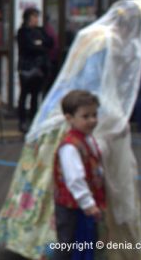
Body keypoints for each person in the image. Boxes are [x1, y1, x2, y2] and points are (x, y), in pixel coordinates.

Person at [0, 0, 141, 260]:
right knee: (73, 176)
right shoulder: (103, 40)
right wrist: (101, 114)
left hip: (84, 110)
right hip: (81, 110)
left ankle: (88, 242)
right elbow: (92, 80)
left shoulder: (104, 38)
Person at [53, 90, 104, 259]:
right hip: (72, 206)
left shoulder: (87, 139)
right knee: (69, 244)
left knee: (87, 241)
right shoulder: (70, 146)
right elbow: (74, 178)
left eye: (94, 115)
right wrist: (88, 203)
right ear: (69, 118)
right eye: (86, 116)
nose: (92, 120)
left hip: (83, 204)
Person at [17, 7, 54, 132]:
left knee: (35, 95)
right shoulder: (23, 32)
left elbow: (49, 42)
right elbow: (28, 47)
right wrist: (39, 45)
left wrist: (39, 44)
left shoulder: (40, 30)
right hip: (27, 67)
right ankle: (22, 121)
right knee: (24, 94)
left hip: (40, 67)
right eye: (34, 17)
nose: (36, 19)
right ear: (28, 18)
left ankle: (33, 119)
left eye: (37, 17)